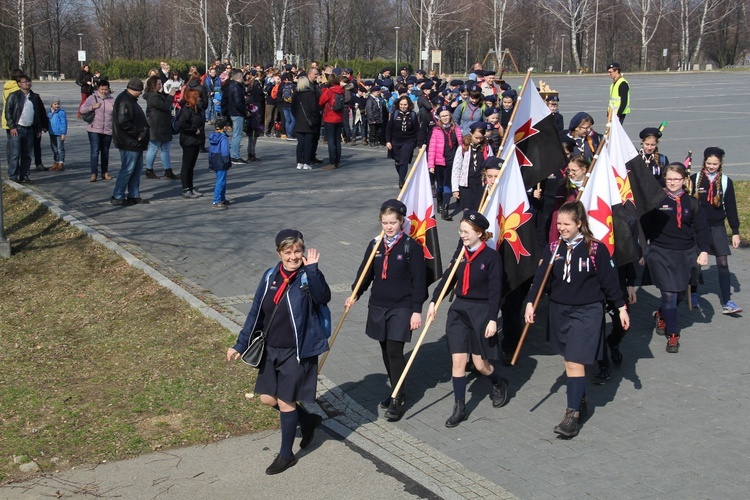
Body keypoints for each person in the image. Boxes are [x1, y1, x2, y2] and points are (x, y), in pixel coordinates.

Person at [226, 229, 330, 475]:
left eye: (297, 251)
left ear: (303, 252)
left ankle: (286, 455)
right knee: (267, 398)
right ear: (279, 252)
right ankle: (308, 420)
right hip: (271, 350)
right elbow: (256, 313)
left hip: (297, 351)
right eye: (288, 251)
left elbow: (323, 297)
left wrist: (313, 270)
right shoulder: (270, 276)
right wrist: (240, 344)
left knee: (285, 401)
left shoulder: (308, 275)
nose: (293, 256)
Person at [524, 201, 630, 438]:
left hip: (587, 312)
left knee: (574, 360)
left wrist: (621, 307)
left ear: (579, 224)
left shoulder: (595, 249)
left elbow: (610, 282)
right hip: (560, 312)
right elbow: (542, 280)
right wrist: (532, 302)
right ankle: (580, 400)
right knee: (570, 361)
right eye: (558, 223)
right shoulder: (553, 248)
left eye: (566, 224)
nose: (561, 228)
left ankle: (571, 415)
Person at [345, 199, 427, 421]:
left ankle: (398, 397)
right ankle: (394, 389)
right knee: (384, 349)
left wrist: (417, 310)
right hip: (379, 305)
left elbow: (419, 281)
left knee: (394, 350)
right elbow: (365, 273)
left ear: (401, 222)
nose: (389, 227)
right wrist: (355, 294)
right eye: (385, 223)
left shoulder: (411, 247)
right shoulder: (375, 245)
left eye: (393, 222)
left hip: (401, 306)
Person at [426, 210, 509, 428]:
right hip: (459, 311)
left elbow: (495, 292)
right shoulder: (461, 254)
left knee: (481, 365)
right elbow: (447, 279)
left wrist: (493, 319)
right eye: (460, 231)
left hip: (481, 312)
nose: (462, 235)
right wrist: (434, 301)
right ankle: (459, 406)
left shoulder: (491, 257)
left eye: (466, 231)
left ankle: (498, 382)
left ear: (479, 233)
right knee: (458, 361)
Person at [642, 164, 710, 353]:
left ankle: (662, 314)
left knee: (679, 293)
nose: (672, 182)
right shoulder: (656, 201)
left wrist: (703, 251)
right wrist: (641, 252)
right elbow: (645, 228)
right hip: (661, 253)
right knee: (669, 294)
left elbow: (702, 229)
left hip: (686, 253)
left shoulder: (692, 203)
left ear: (684, 180)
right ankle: (673, 334)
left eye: (676, 179)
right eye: (669, 179)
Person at [690, 147, 742, 314]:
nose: (711, 166)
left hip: (717, 227)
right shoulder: (695, 179)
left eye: (715, 164)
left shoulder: (726, 182)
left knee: (723, 263)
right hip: (698, 228)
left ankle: (727, 301)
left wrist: (735, 231)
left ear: (720, 164)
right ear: (704, 162)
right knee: (696, 264)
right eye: (709, 163)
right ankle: (693, 294)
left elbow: (732, 208)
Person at [111, 78, 150, 205]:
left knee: (136, 170)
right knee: (127, 169)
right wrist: (137, 134)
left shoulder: (129, 100)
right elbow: (123, 122)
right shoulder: (124, 100)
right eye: (140, 91)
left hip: (134, 142)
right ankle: (118, 195)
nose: (141, 93)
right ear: (135, 90)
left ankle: (133, 194)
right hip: (129, 141)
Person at [5, 74, 44, 183]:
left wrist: (38, 129)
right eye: (25, 82)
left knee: (27, 154)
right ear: (19, 84)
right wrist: (12, 126)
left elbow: (37, 114)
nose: (28, 83)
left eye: (29, 81)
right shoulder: (14, 96)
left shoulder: (34, 97)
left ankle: (24, 175)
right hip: (17, 129)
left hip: (30, 129)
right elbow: (8, 112)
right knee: (15, 153)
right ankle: (13, 176)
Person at [427, 105, 462, 221]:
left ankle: (445, 209)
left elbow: (461, 145)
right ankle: (440, 202)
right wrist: (431, 165)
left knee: (448, 184)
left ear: (450, 115)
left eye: (447, 115)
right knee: (440, 186)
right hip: (439, 162)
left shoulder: (456, 128)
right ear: (439, 118)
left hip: (452, 161)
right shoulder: (436, 130)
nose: (445, 118)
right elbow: (432, 148)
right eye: (442, 116)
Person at [451, 121, 493, 212]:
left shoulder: (487, 147)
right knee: (467, 210)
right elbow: (456, 168)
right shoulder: (463, 147)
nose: (479, 140)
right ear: (471, 134)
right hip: (466, 185)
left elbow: (491, 165)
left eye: (481, 138)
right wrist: (455, 189)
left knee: (479, 210)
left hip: (480, 183)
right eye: (476, 137)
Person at [144, 76, 178, 180]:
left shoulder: (158, 94)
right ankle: (149, 170)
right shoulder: (152, 96)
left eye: (160, 83)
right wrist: (171, 96)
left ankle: (168, 170)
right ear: (153, 85)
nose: (160, 85)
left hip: (163, 125)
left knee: (165, 149)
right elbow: (164, 106)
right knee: (154, 148)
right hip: (156, 126)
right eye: (158, 84)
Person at [80, 79, 115, 182]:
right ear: (98, 89)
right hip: (94, 129)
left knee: (105, 151)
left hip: (108, 129)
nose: (104, 91)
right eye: (102, 89)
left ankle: (105, 172)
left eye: (106, 89)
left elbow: (116, 113)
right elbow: (82, 110)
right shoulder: (92, 98)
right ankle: (93, 173)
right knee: (95, 151)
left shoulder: (112, 100)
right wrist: (92, 107)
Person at [177, 87, 206, 198]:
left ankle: (191, 187)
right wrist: (194, 130)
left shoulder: (197, 109)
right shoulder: (186, 110)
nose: (199, 98)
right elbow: (182, 124)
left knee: (191, 165)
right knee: (187, 165)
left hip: (196, 140)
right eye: (197, 96)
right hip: (188, 140)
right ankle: (186, 188)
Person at [385, 95, 419, 188]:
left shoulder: (413, 115)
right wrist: (388, 141)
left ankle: (401, 180)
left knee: (404, 160)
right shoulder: (395, 114)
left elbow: (416, 129)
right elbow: (389, 128)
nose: (403, 106)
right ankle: (401, 177)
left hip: (408, 140)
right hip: (395, 141)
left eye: (405, 104)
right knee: (398, 161)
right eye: (401, 104)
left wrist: (418, 143)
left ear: (408, 105)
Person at [291, 75, 319, 170]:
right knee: (308, 143)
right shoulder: (311, 94)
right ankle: (306, 162)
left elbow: (292, 109)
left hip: (299, 121)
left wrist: (297, 117)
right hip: (309, 120)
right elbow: (314, 108)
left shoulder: (296, 94)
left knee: (300, 143)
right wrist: (314, 118)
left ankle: (299, 162)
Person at [319, 73, 345, 170]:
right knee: (337, 140)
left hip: (330, 117)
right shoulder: (341, 91)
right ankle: (337, 161)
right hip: (339, 117)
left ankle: (332, 162)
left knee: (330, 140)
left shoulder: (329, 91)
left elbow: (321, 101)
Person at [208, 118, 232, 209]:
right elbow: (225, 151)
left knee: (221, 179)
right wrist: (227, 162)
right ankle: (216, 200)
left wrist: (210, 163)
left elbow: (210, 151)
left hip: (214, 159)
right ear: (224, 127)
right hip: (221, 160)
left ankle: (222, 198)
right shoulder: (223, 137)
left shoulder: (212, 136)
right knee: (221, 181)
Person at [46, 97, 67, 172]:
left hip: (59, 133)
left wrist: (63, 133)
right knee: (54, 148)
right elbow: (47, 121)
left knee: (60, 148)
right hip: (52, 133)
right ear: (51, 104)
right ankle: (56, 161)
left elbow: (64, 123)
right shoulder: (48, 112)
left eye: (58, 104)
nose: (56, 105)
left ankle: (61, 162)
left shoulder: (61, 112)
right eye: (55, 104)